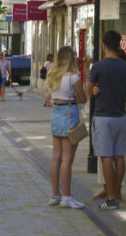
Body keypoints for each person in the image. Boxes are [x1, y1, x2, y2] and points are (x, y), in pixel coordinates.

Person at [88, 30, 126, 211]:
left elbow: (89, 90)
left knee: (106, 156)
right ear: (119, 45)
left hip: (103, 116)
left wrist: (95, 91)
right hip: (121, 116)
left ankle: (111, 197)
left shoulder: (98, 67)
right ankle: (117, 191)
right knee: (119, 156)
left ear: (104, 45)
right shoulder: (125, 67)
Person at [43, 46, 87, 209]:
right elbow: (83, 98)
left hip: (56, 113)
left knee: (56, 157)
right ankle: (67, 196)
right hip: (70, 113)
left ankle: (55, 194)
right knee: (67, 159)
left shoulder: (52, 76)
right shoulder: (73, 78)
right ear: (71, 59)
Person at [92, 48, 126, 201]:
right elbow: (91, 90)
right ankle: (107, 188)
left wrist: (117, 91)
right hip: (106, 113)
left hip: (120, 112)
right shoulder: (103, 72)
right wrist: (95, 89)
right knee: (104, 155)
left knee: (120, 154)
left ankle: (116, 190)